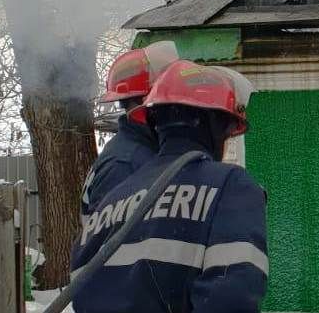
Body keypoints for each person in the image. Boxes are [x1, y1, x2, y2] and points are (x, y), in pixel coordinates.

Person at [71, 60, 267, 313]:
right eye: (229, 130)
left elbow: (84, 297)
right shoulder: (231, 186)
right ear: (217, 126)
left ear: (153, 121)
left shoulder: (107, 204)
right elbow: (232, 299)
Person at [81, 42, 180, 215]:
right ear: (147, 104)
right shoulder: (125, 165)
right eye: (167, 99)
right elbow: (107, 237)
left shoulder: (141, 150)